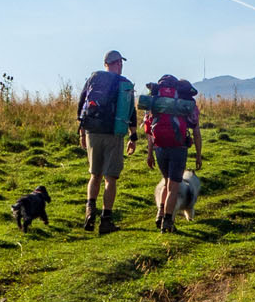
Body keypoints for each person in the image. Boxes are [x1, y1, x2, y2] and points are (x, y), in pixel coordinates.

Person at [75, 49, 137, 234]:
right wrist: (133, 136)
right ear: (117, 63)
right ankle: (106, 220)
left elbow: (81, 104)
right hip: (114, 134)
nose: (121, 65)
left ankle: (89, 211)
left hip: (92, 131)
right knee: (111, 178)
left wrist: (81, 132)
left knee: (95, 175)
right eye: (120, 63)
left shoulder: (94, 78)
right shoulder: (124, 84)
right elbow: (131, 113)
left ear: (105, 64)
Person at [142, 75, 202, 232]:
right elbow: (196, 131)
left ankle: (160, 214)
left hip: (159, 147)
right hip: (178, 147)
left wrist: (149, 154)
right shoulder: (186, 105)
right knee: (173, 187)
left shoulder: (155, 102)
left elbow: (149, 131)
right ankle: (167, 222)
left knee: (166, 181)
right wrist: (198, 154)